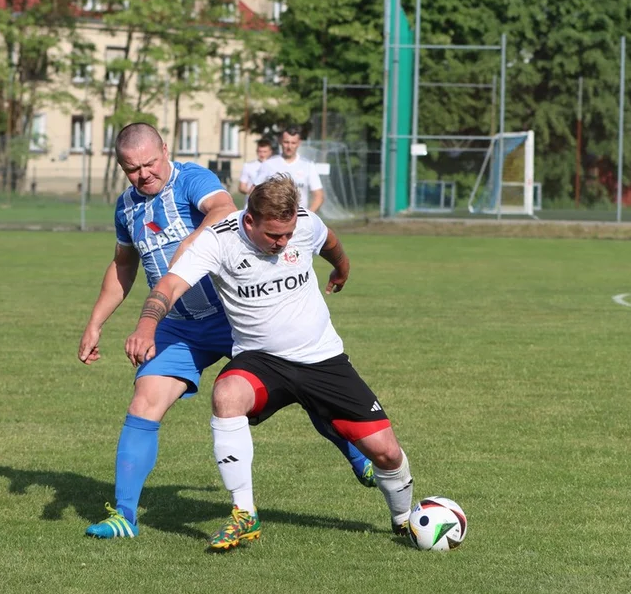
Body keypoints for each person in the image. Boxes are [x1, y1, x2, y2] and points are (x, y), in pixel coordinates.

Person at [79, 123, 374, 540]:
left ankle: (357, 454)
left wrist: (191, 248)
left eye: (150, 163)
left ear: (166, 149)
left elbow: (222, 208)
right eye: (133, 169)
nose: (144, 174)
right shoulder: (127, 208)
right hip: (181, 328)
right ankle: (125, 516)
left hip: (240, 317)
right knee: (145, 400)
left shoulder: (190, 180)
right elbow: (123, 265)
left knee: (300, 379)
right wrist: (95, 323)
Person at [125, 175, 414, 551]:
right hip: (261, 361)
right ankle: (244, 513)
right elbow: (169, 286)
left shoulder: (303, 225)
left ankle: (405, 519)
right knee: (227, 394)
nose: (283, 243)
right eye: (274, 236)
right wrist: (147, 326)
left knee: (387, 452)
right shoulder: (219, 241)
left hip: (322, 359)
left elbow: (329, 242)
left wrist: (342, 268)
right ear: (250, 221)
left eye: (289, 234)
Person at [253, 125, 325, 213]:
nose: (289, 146)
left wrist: (307, 215)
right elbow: (254, 191)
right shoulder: (268, 164)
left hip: (299, 220)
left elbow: (319, 196)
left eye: (293, 143)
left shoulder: (308, 165)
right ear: (280, 141)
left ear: (299, 143)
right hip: (274, 220)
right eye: (286, 142)